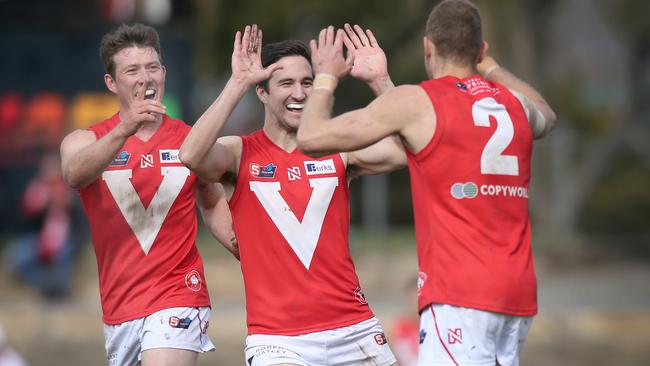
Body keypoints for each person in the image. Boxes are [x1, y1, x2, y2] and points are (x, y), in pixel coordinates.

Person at [297, 1, 557, 365]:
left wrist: (325, 76)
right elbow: (546, 114)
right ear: (480, 51)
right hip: (517, 295)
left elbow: (310, 137)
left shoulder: (419, 100)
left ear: (427, 48)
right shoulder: (515, 105)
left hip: (460, 294)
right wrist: (492, 68)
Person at [180, 24, 406, 365]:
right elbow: (191, 155)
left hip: (354, 329)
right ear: (262, 93)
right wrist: (237, 82)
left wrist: (379, 81)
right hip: (277, 340)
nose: (299, 93)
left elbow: (410, 148)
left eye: (307, 82)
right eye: (286, 83)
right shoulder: (240, 153)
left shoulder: (337, 147)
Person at [59, 23, 237, 366]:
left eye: (152, 67)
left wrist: (239, 243)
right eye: (132, 70)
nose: (145, 78)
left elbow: (213, 200)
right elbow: (75, 174)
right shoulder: (85, 139)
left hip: (180, 293)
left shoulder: (192, 141)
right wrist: (125, 128)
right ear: (111, 82)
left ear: (164, 73)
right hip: (120, 306)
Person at [5, 152, 78, 300]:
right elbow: (25, 215)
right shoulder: (37, 187)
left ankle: (57, 289)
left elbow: (75, 218)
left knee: (63, 259)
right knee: (16, 256)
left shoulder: (69, 186)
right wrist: (40, 202)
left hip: (65, 240)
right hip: (38, 239)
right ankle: (43, 285)